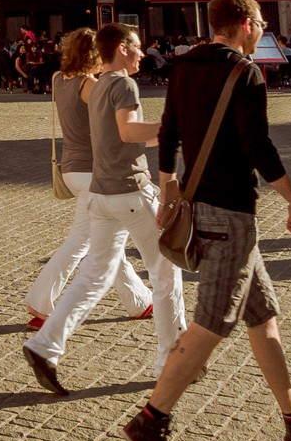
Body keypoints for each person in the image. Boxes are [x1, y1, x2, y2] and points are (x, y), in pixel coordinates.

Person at [119, 0, 291, 441]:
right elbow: (255, 143)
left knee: (262, 317)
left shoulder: (183, 65)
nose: (261, 30)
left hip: (201, 205)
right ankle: (150, 420)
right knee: (212, 324)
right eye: (260, 23)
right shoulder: (246, 72)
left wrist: (167, 189)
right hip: (231, 213)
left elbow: (170, 132)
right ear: (243, 25)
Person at [24, 23, 185, 397]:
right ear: (123, 48)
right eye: (138, 47)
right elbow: (128, 132)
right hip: (131, 189)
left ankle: (44, 346)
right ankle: (172, 361)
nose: (144, 53)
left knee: (95, 275)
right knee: (165, 273)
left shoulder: (90, 85)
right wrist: (172, 127)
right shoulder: (118, 84)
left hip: (101, 193)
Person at [21, 29, 158, 347]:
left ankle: (140, 301)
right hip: (94, 171)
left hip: (72, 168)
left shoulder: (59, 79)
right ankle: (42, 303)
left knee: (107, 242)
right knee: (82, 242)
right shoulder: (91, 85)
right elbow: (117, 128)